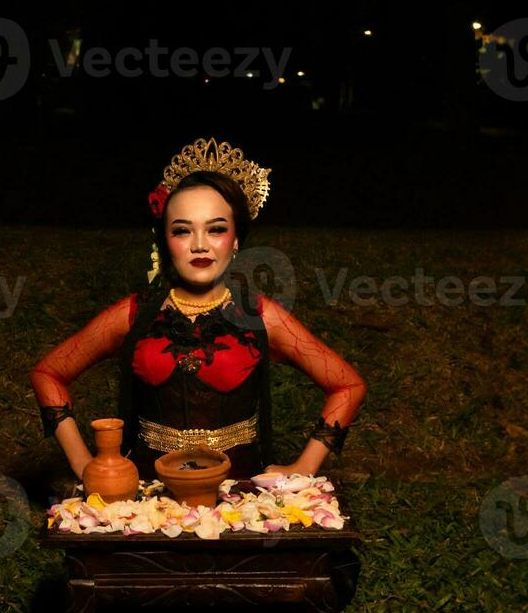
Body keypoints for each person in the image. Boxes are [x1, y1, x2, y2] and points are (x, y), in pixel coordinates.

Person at [30, 138, 365, 487]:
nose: (200, 244)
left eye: (216, 229)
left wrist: (304, 467)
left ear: (236, 240)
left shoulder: (261, 315)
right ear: (165, 240)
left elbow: (347, 385)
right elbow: (48, 374)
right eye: (182, 230)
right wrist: (84, 463)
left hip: (241, 499)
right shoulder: (133, 314)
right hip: (146, 500)